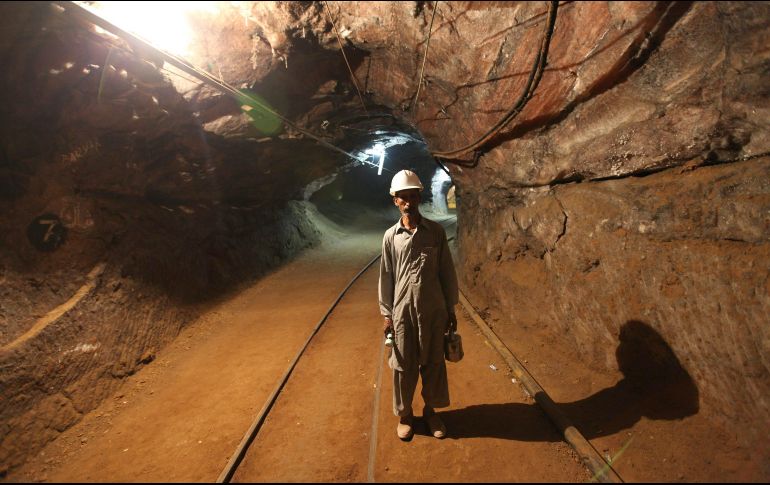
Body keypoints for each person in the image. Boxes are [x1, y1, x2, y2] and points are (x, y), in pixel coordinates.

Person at [378, 169, 459, 440]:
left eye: (413, 196)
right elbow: (386, 275)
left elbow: (446, 272)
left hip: (433, 310)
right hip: (402, 312)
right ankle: (405, 415)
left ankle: (431, 411)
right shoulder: (391, 236)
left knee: (434, 361)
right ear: (395, 201)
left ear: (419, 197)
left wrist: (451, 308)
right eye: (403, 198)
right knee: (403, 366)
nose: (408, 202)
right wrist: (386, 313)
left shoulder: (435, 232)